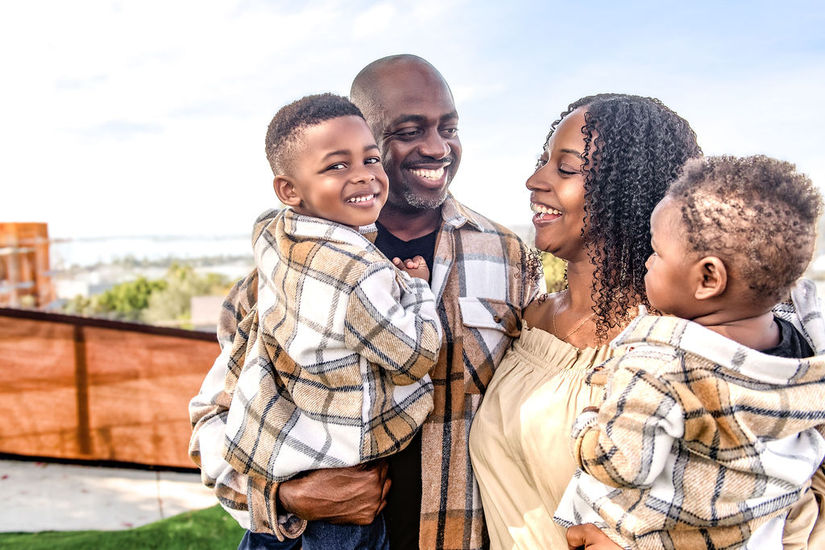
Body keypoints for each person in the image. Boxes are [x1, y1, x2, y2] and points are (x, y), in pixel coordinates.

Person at [188, 54, 544, 550]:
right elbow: (215, 414)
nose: (437, 147)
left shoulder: (509, 259)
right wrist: (285, 496)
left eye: (449, 127)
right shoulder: (290, 272)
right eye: (408, 130)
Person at [553, 155, 825, 549]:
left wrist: (588, 427)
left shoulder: (659, 362)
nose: (647, 262)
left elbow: (623, 465)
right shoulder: (805, 352)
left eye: (656, 253)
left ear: (708, 277)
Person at [469, 93, 702, 549]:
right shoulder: (528, 322)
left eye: (566, 168)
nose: (534, 180)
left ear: (628, 188)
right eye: (543, 161)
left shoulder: (677, 345)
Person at [219, 93, 444, 549]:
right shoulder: (358, 275)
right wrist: (418, 290)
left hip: (280, 469)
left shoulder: (273, 236)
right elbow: (415, 356)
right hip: (336, 503)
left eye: (370, 158)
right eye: (337, 166)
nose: (363, 174)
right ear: (289, 189)